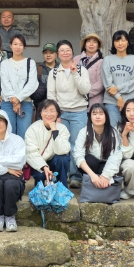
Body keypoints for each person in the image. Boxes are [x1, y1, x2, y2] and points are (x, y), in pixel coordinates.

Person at [47, 39, 91, 188]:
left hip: (79, 112)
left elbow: (85, 89)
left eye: (68, 50)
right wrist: (56, 115)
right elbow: (51, 95)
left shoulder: (81, 70)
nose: (65, 53)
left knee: (76, 145)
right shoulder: (54, 72)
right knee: (60, 144)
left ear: (72, 52)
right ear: (58, 54)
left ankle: (75, 176)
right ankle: (61, 175)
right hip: (61, 113)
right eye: (62, 50)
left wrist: (74, 74)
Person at [72, 103, 122, 191]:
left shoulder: (113, 133)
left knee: (109, 166)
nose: (97, 117)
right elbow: (78, 155)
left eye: (101, 114)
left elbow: (116, 155)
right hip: (91, 166)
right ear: (90, 117)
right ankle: (91, 183)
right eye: (94, 114)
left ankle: (102, 185)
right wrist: (93, 176)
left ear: (106, 116)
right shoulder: (84, 132)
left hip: (106, 164)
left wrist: (106, 176)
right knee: (90, 159)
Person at [25, 99, 71, 187]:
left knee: (63, 159)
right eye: (45, 111)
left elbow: (63, 150)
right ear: (41, 113)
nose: (49, 114)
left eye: (52, 111)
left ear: (57, 113)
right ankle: (40, 186)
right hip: (38, 163)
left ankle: (61, 187)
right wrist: (44, 166)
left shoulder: (62, 128)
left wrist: (55, 131)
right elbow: (31, 152)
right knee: (41, 175)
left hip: (54, 162)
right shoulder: (33, 128)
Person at [0, 34, 38, 137]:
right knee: (8, 134)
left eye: (21, 44)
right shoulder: (4, 63)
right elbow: (5, 83)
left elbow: (32, 84)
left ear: (24, 47)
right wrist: (14, 100)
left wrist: (18, 98)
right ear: (10, 46)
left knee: (24, 134)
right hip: (8, 103)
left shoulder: (30, 63)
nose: (18, 47)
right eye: (15, 44)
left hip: (26, 102)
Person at [101, 31, 134, 127]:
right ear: (113, 43)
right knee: (113, 130)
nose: (120, 43)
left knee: (132, 130)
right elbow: (107, 83)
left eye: (123, 40)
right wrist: (119, 98)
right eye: (117, 40)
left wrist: (117, 88)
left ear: (128, 42)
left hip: (131, 102)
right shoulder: (107, 60)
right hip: (111, 102)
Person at [75, 33, 105, 107]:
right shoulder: (76, 59)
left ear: (98, 46)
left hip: (94, 103)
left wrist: (84, 93)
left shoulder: (102, 62)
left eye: (95, 42)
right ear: (84, 45)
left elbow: (101, 83)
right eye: (88, 41)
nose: (91, 44)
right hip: (76, 102)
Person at [31, 42, 58, 115]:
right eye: (45, 53)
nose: (48, 55)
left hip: (57, 106)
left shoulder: (60, 68)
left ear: (56, 54)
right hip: (41, 106)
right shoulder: (38, 68)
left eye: (51, 52)